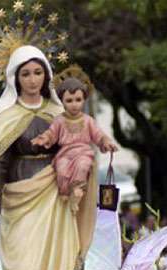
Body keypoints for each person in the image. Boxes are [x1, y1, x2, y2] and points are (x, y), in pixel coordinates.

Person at [0, 45, 96, 270]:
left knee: (59, 257)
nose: (32, 80)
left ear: (46, 76)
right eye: (25, 74)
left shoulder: (59, 112)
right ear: (15, 78)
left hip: (56, 192)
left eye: (37, 72)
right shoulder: (5, 116)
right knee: (23, 263)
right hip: (20, 193)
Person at [31, 76, 118, 212]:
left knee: (83, 165)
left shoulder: (88, 120)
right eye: (69, 101)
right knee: (61, 170)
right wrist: (44, 139)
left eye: (78, 100)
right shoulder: (59, 120)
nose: (74, 104)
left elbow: (99, 135)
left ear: (84, 100)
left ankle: (77, 192)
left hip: (83, 153)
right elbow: (51, 133)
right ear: (63, 102)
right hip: (64, 154)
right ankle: (65, 193)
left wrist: (106, 142)